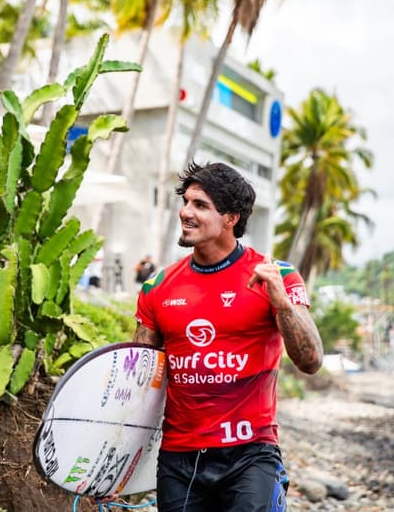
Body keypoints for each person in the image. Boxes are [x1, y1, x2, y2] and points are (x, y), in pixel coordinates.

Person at [131, 162, 323, 512]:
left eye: (200, 205)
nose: (186, 213)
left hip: (250, 454)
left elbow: (311, 361)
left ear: (231, 218)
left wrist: (282, 304)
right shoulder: (158, 287)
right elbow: (138, 380)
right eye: (186, 202)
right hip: (179, 458)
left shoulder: (276, 275)